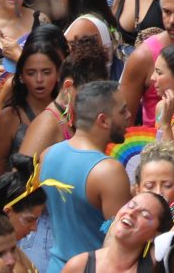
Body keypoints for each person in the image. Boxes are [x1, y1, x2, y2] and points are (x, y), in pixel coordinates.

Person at [36, 81, 130, 273]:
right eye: (122, 111)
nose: (129, 115)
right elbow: (123, 240)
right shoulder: (109, 171)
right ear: (103, 120)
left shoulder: (47, 155)